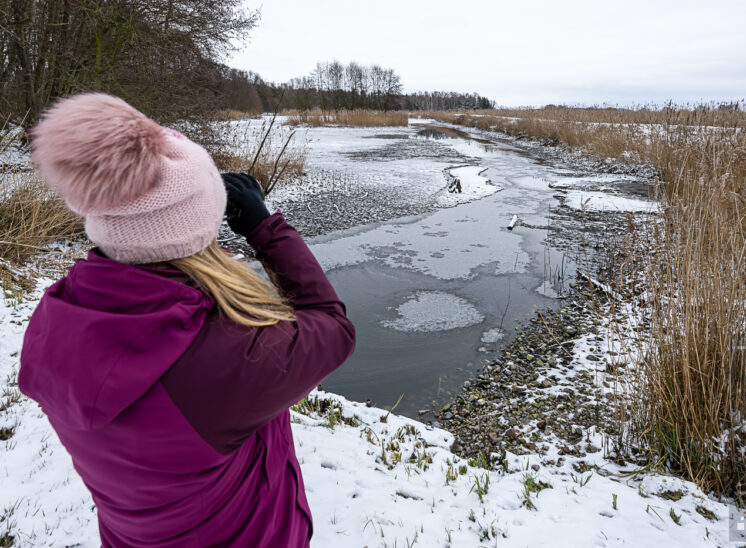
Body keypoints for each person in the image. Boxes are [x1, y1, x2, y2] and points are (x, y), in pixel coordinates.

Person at [18, 93, 355, 547]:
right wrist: (264, 226)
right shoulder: (228, 358)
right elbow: (332, 325)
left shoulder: (54, 324)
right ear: (200, 229)